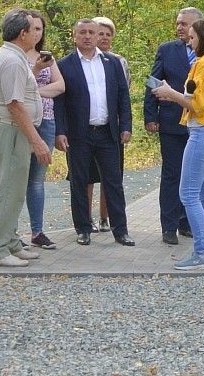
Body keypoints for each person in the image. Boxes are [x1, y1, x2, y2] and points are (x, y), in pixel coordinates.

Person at [144, 7, 204, 245]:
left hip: (203, 126)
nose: (180, 28)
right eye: (178, 23)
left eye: (186, 25)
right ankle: (172, 227)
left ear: (199, 28)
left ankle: (197, 236)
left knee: (194, 190)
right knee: (176, 177)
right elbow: (154, 82)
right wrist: (151, 114)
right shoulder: (167, 50)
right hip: (175, 124)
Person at [54, 19, 134, 247]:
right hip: (78, 134)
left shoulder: (112, 63)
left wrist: (126, 125)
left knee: (114, 182)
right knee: (79, 181)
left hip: (108, 132)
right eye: (83, 32)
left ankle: (120, 230)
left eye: (92, 32)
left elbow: (123, 96)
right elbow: (59, 102)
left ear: (98, 35)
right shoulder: (65, 65)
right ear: (74, 36)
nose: (88, 36)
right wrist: (60, 131)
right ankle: (83, 229)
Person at [0, 9, 51, 267]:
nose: (37, 34)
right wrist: (36, 140)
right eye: (33, 29)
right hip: (12, 131)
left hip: (14, 131)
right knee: (9, 191)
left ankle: (10, 242)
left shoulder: (14, 56)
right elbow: (14, 104)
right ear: (22, 33)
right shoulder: (11, 60)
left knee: (16, 191)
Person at [84, 16, 131, 233]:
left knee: (111, 177)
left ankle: (106, 218)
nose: (103, 38)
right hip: (86, 129)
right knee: (87, 176)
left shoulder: (117, 62)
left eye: (107, 34)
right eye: (99, 33)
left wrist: (125, 125)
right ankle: (86, 220)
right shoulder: (78, 61)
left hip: (111, 128)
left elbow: (123, 94)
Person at [25, 10, 65, 250]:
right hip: (23, 121)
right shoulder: (15, 57)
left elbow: (60, 86)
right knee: (18, 177)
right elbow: (18, 86)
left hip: (47, 120)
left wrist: (36, 92)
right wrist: (38, 72)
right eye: (32, 28)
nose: (36, 33)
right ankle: (9, 233)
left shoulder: (47, 57)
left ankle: (37, 231)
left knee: (37, 179)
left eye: (40, 29)